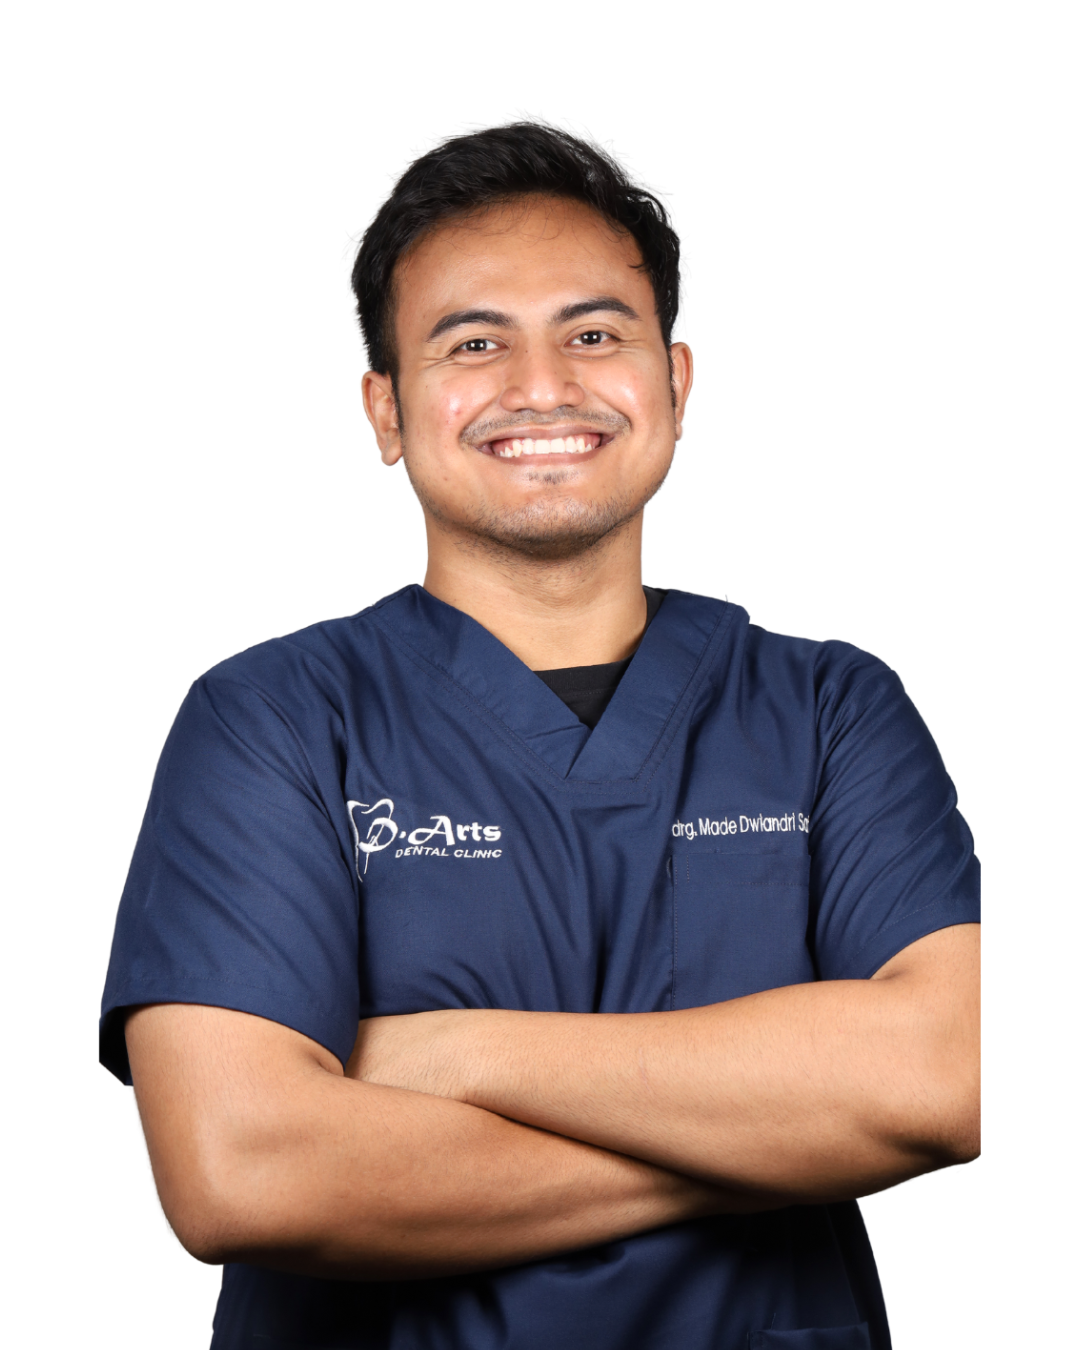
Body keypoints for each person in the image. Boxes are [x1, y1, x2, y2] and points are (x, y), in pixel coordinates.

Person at [98, 110, 980, 1350]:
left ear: (677, 381)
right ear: (384, 411)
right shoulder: (272, 720)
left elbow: (949, 1076)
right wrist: (781, 1133)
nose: (543, 386)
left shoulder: (831, 707)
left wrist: (451, 1055)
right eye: (474, 342)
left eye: (595, 333)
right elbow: (243, 1172)